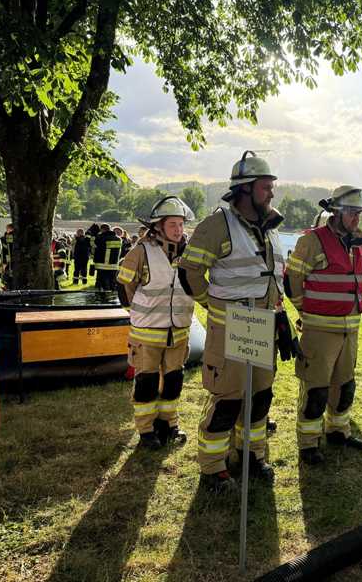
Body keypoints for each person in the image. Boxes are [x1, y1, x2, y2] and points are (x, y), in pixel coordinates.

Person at [179, 150, 287, 493]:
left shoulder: (269, 228)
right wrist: (213, 305)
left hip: (263, 326)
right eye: (266, 186)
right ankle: (213, 468)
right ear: (245, 188)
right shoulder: (218, 225)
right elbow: (189, 271)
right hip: (230, 328)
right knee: (228, 398)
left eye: (272, 186)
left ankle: (251, 454)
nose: (271, 193)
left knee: (260, 396)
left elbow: (272, 278)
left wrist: (279, 315)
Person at [285, 186, 362, 465]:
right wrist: (305, 310)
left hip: (350, 330)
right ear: (336, 212)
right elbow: (291, 279)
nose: (356, 218)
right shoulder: (312, 241)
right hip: (320, 330)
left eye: (359, 213)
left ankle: (338, 431)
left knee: (344, 386)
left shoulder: (358, 242)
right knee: (316, 390)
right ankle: (308, 443)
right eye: (351, 212)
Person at [118, 196, 195, 449]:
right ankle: (146, 430)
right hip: (147, 335)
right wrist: (138, 315)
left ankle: (168, 424)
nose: (178, 230)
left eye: (181, 224)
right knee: (147, 383)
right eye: (172, 224)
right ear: (159, 226)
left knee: (174, 381)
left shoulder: (190, 253)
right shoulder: (141, 252)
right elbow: (124, 287)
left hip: (179, 333)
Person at [93, 223, 122, 291]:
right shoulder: (118, 239)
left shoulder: (102, 237)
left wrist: (95, 235)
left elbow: (94, 245)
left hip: (103, 264)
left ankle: (105, 295)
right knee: (112, 281)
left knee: (103, 282)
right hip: (114, 264)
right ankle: (113, 294)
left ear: (102, 229)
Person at [1, 223, 14, 289]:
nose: (6, 230)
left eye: (7, 228)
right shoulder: (7, 237)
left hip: (10, 261)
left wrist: (4, 262)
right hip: (10, 261)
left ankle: (7, 286)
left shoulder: (9, 236)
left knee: (8, 275)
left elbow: (7, 250)